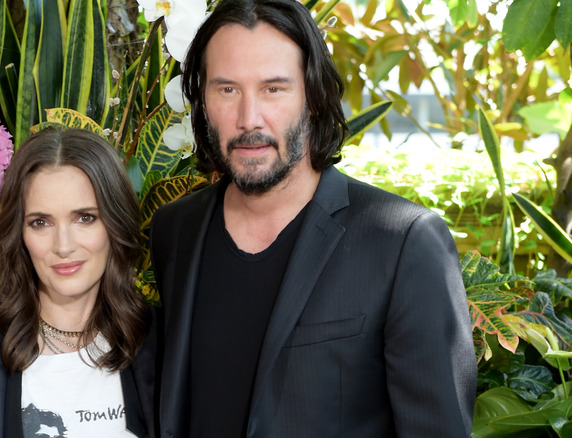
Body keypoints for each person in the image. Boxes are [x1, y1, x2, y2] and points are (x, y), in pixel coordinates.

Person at [149, 0, 477, 437]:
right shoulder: (176, 229)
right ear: (202, 100)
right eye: (227, 89)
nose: (249, 118)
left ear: (314, 98)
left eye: (274, 89)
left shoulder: (402, 242)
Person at [0, 128, 155, 437]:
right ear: (20, 233)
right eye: (40, 222)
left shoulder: (159, 343)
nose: (63, 245)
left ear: (115, 224)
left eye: (85, 218)